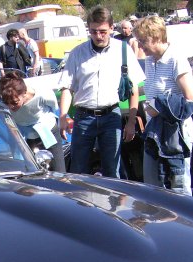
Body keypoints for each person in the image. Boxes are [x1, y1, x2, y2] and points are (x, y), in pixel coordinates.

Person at [57, 5, 144, 178]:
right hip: (83, 117)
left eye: (103, 31)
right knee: (78, 170)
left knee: (113, 170)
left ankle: (115, 205)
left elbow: (134, 88)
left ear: (112, 28)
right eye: (94, 31)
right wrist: (63, 116)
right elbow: (67, 87)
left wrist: (131, 122)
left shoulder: (123, 50)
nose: (98, 36)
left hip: (111, 116)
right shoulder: (77, 53)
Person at [134, 15, 193, 195]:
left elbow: (191, 100)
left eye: (142, 41)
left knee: (179, 184)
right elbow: (151, 91)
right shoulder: (149, 60)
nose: (140, 46)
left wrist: (159, 108)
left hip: (175, 132)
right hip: (154, 130)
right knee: (153, 182)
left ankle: (184, 221)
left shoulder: (176, 59)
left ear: (155, 37)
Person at [0, 72, 65, 172]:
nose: (11, 107)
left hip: (48, 133)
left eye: (15, 103)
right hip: (23, 136)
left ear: (24, 93)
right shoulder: (0, 103)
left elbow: (54, 107)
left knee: (58, 171)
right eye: (7, 103)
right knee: (28, 172)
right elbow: (4, 117)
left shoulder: (42, 94)